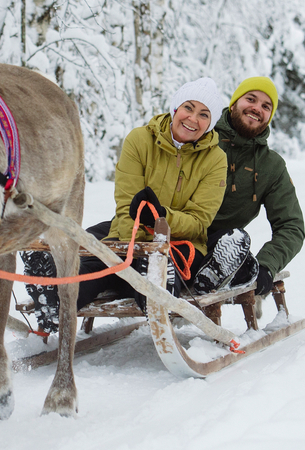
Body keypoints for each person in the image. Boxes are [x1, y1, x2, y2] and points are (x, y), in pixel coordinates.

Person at [23, 78, 229, 329]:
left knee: (158, 267)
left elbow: (199, 221)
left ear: (211, 123)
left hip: (180, 242)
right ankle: (54, 295)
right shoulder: (140, 140)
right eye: (188, 107)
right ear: (176, 108)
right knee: (101, 265)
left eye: (204, 114)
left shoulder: (216, 159)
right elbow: (126, 204)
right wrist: (139, 243)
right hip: (128, 231)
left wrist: (161, 218)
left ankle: (154, 285)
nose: (193, 119)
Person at [188, 76, 305, 298]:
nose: (256, 108)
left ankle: (228, 270)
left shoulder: (271, 166)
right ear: (234, 103)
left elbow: (291, 225)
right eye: (250, 99)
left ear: (270, 116)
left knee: (236, 243)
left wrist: (267, 264)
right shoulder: (200, 137)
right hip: (181, 234)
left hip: (224, 247)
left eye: (266, 106)